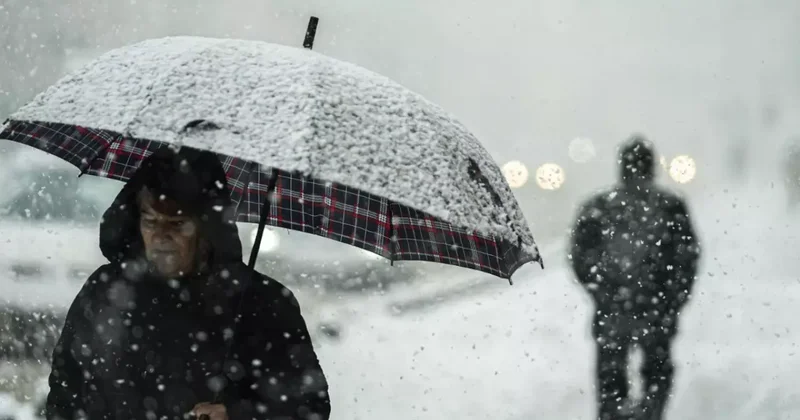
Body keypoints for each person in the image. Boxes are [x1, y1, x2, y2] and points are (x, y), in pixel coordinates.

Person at [45, 147, 331, 420]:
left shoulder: (261, 302)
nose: (160, 236)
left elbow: (309, 407)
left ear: (208, 228)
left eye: (177, 224)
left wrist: (236, 413)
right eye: (150, 220)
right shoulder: (105, 290)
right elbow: (66, 388)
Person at [569, 136, 700, 420]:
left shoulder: (598, 207)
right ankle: (650, 413)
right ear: (652, 168)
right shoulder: (670, 206)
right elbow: (686, 259)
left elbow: (581, 257)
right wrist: (672, 300)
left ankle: (614, 414)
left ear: (622, 168)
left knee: (610, 376)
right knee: (657, 371)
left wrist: (602, 292)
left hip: (613, 311)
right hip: (657, 308)